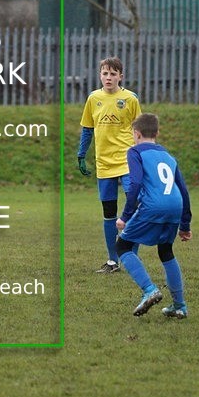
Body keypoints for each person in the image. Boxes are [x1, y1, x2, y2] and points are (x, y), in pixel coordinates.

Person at [115, 113, 192, 318]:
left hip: (153, 206)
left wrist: (125, 216)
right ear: (157, 133)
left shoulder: (135, 152)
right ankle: (180, 306)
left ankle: (149, 290)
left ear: (136, 133)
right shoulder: (168, 156)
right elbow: (183, 190)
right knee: (166, 251)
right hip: (175, 205)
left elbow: (136, 183)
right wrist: (185, 224)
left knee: (122, 246)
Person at [77, 56, 142, 273]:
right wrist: (81, 154)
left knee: (133, 205)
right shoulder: (93, 98)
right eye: (105, 73)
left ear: (120, 77)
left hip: (126, 161)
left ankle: (131, 256)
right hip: (104, 163)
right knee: (108, 212)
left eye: (113, 74)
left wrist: (142, 156)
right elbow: (87, 129)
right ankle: (113, 261)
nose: (108, 77)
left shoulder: (130, 99)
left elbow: (139, 132)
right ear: (100, 75)